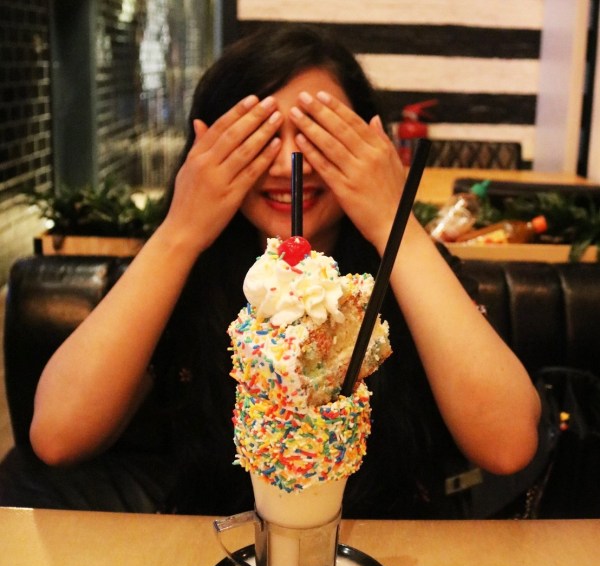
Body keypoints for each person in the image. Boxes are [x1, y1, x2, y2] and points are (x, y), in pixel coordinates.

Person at [27, 25, 540, 518]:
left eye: (320, 135)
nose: (289, 163)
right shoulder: (190, 274)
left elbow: (508, 444)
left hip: (386, 554)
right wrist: (180, 232)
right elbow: (58, 435)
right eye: (260, 136)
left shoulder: (408, 271)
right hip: (210, 554)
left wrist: (393, 221)